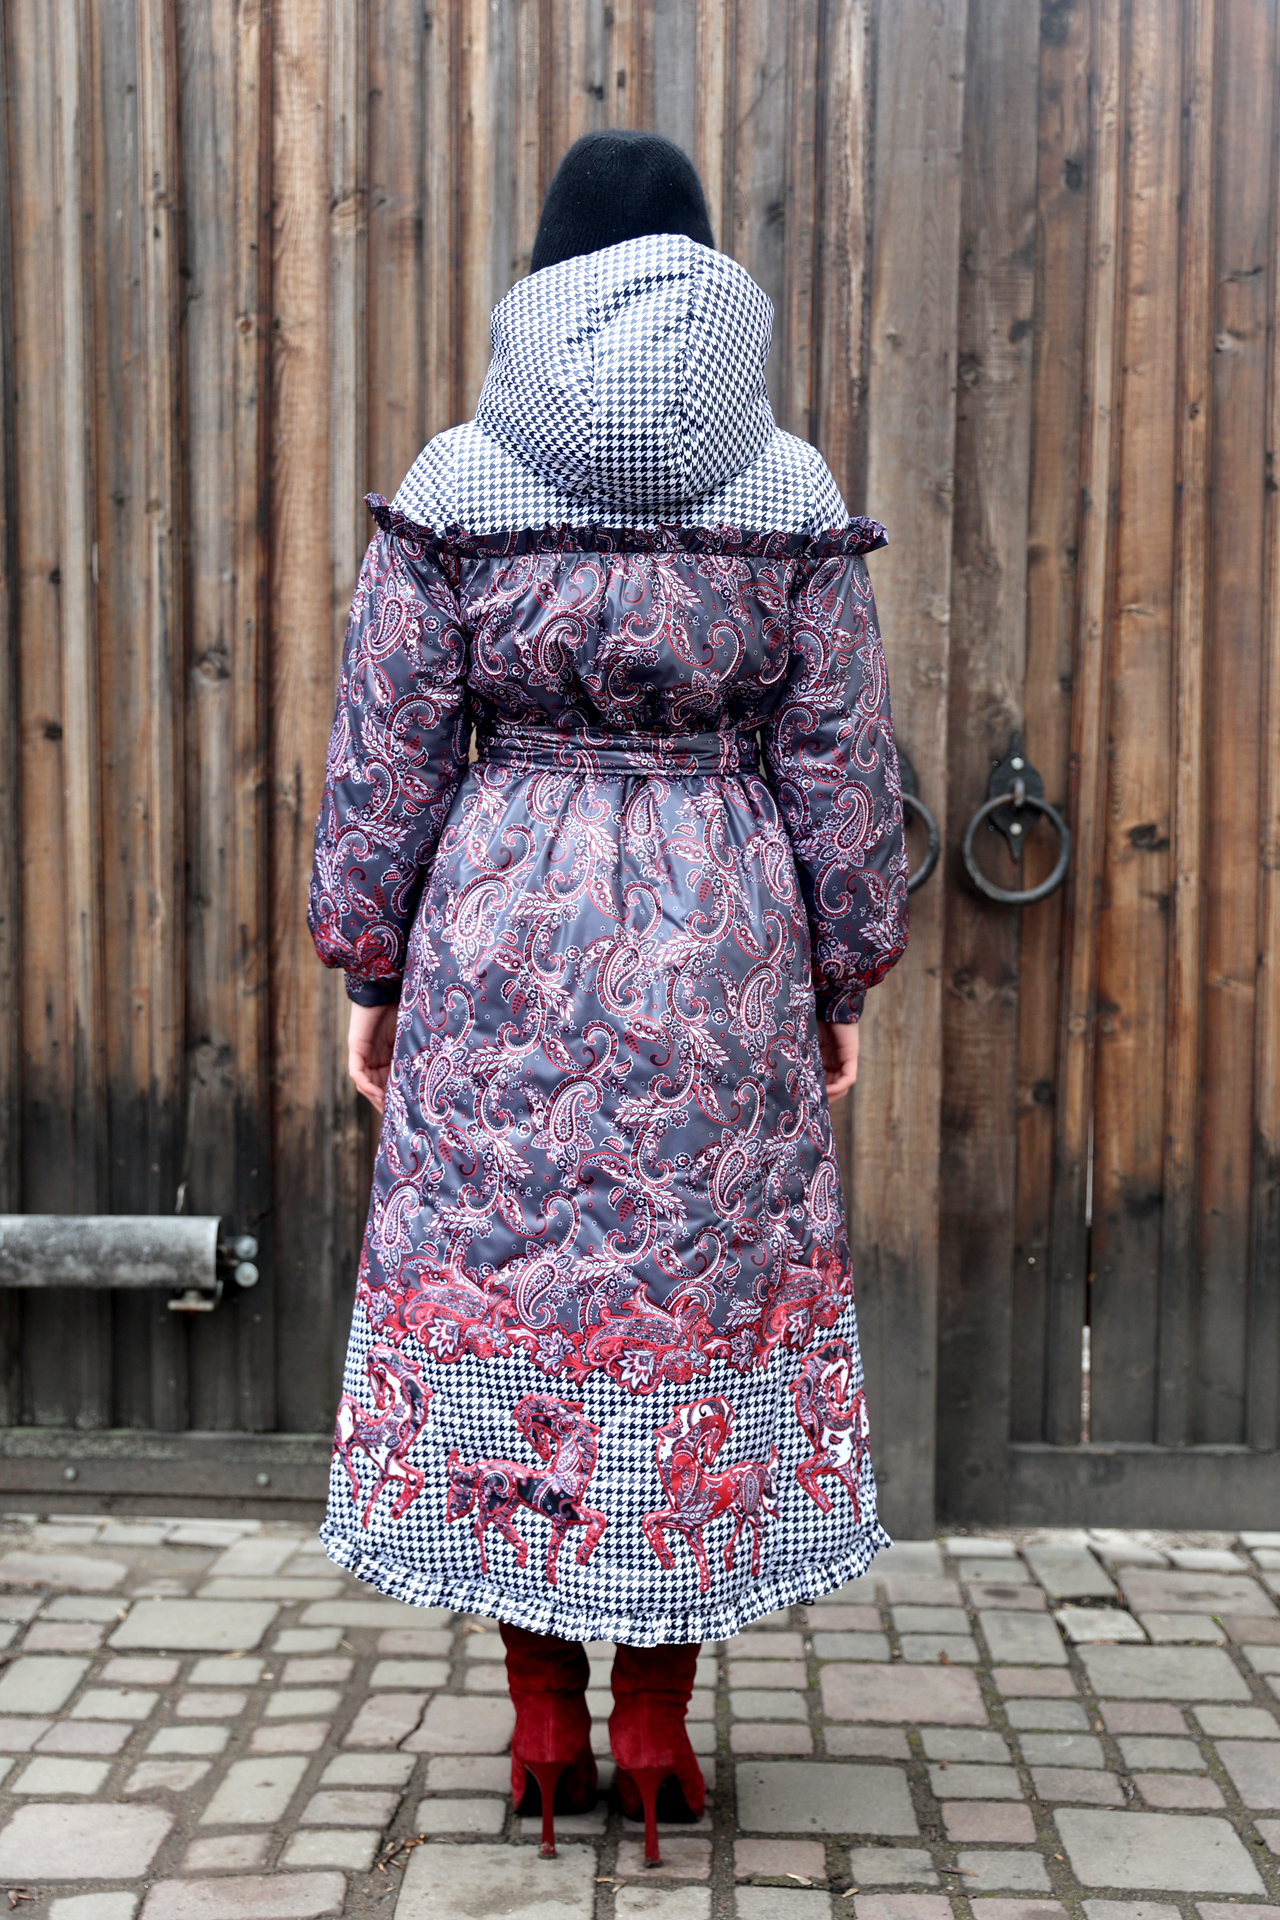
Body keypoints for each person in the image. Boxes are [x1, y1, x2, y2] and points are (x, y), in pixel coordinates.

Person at [307, 128, 908, 1864]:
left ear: (545, 276)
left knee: (516, 1304)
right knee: (688, 1307)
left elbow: (388, 751)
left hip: (500, 928)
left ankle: (539, 1718)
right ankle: (656, 1725)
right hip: (723, 942)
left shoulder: (460, 476)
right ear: (708, 278)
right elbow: (842, 762)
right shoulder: (786, 485)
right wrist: (841, 971)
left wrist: (372, 961)